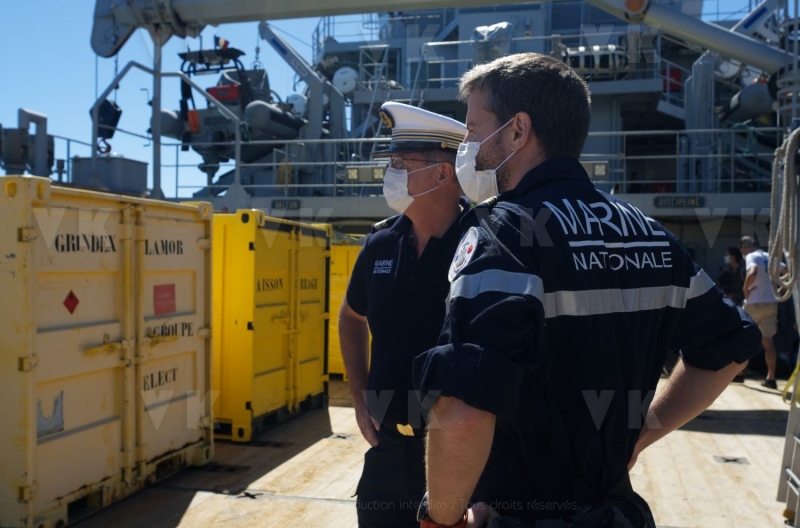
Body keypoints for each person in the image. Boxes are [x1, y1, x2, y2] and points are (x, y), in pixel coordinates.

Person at [411, 53, 761, 528]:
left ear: (517, 131)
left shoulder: (504, 231)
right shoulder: (650, 234)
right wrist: (638, 436)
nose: (467, 146)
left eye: (474, 130)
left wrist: (441, 520)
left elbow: (461, 410)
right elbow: (732, 346)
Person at [338, 101, 468, 528]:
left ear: (443, 173)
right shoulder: (379, 244)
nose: (389, 173)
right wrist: (358, 396)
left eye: (400, 163)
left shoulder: (482, 246)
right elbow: (351, 317)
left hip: (460, 459)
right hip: (387, 455)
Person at [740, 235, 780, 389]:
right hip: (770, 303)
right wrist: (780, 289)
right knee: (768, 341)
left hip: (754, 303)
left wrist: (745, 290)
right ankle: (771, 378)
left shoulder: (751, 256)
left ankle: (738, 374)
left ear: (744, 248)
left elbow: (753, 272)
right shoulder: (769, 257)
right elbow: (787, 271)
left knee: (743, 338)